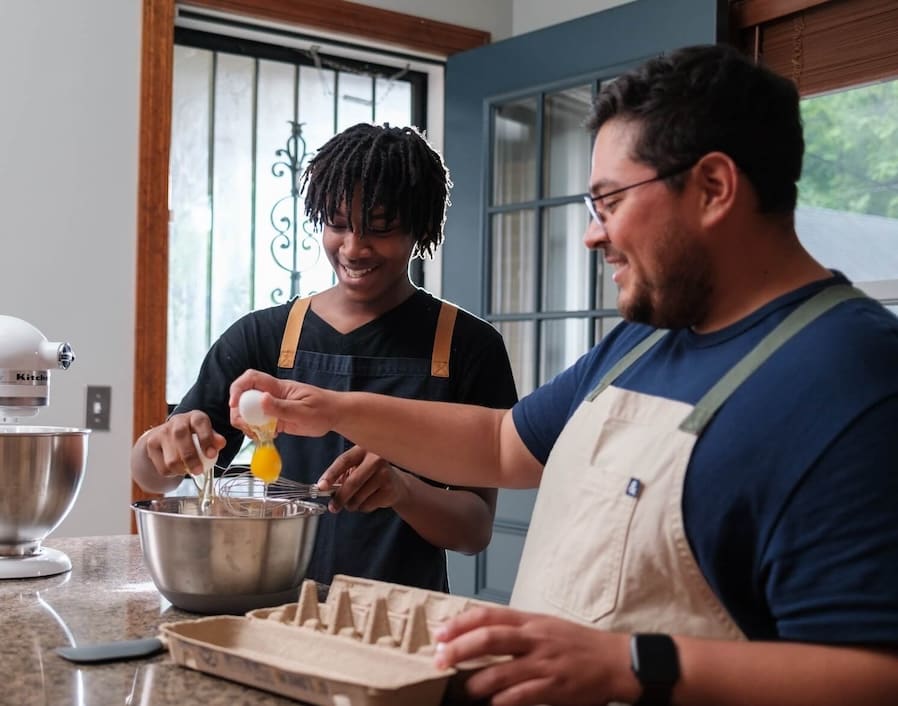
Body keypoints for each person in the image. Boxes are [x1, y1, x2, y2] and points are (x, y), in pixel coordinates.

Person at [227, 44, 898, 706]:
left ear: (713, 188)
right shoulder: (645, 341)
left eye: (609, 201)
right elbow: (499, 444)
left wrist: (632, 664)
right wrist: (331, 409)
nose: (591, 235)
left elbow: (876, 676)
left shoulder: (851, 377)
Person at [131, 122, 518, 592]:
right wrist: (161, 446)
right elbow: (152, 477)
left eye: (380, 228)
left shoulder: (468, 347)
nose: (353, 248)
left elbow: (473, 531)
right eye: (337, 224)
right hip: (272, 603)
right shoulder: (265, 336)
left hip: (397, 619)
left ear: (421, 227)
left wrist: (402, 490)